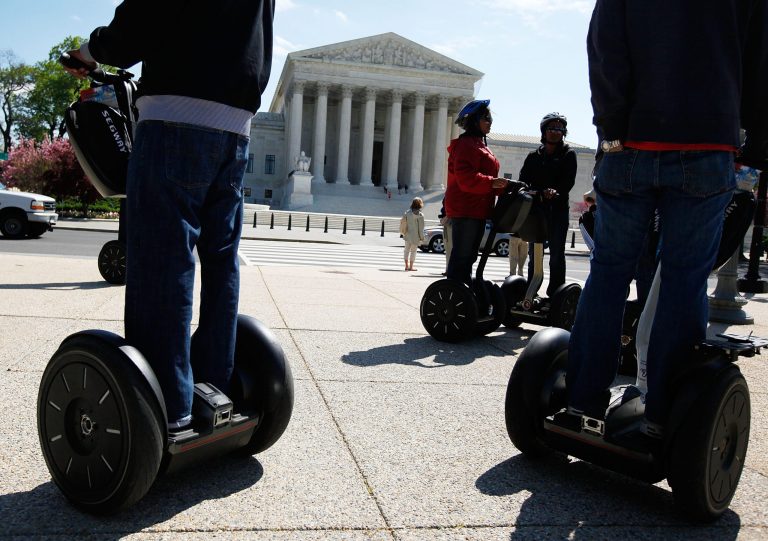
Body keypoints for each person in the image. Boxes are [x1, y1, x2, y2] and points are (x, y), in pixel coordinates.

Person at [63, 0, 275, 431]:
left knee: (165, 257)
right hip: (237, 125)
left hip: (176, 114)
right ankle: (215, 380)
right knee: (220, 259)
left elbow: (142, 19)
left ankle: (169, 407)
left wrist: (90, 51)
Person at [566, 0, 768, 438]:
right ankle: (663, 411)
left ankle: (582, 399)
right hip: (708, 144)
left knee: (609, 273)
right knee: (684, 278)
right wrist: (752, 154)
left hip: (631, 145)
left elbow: (604, 49)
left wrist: (612, 131)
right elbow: (759, 65)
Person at [444, 99, 509, 285]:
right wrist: (493, 183)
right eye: (485, 118)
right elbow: (466, 179)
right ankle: (454, 297)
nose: (489, 121)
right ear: (473, 120)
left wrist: (500, 187)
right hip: (466, 209)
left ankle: (463, 295)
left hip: (477, 209)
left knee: (469, 257)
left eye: (490, 118)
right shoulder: (466, 145)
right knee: (462, 257)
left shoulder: (478, 144)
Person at [519, 112, 577, 296]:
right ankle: (531, 291)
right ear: (544, 131)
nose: (556, 132)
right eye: (552, 128)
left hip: (557, 212)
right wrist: (531, 191)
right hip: (536, 212)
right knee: (534, 254)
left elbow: (567, 182)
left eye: (560, 129)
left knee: (557, 255)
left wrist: (555, 192)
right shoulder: (533, 156)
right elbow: (523, 181)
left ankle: (556, 294)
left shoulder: (568, 154)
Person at [401, 197, 426, 271]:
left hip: (407, 234)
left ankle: (406, 266)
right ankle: (411, 267)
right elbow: (421, 228)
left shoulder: (407, 213)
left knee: (406, 250)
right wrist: (422, 237)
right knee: (413, 251)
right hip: (416, 236)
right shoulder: (420, 215)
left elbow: (404, 223)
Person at [437, 199, 452, 275]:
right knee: (449, 250)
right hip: (450, 224)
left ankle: (449, 270)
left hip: (450, 224)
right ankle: (449, 269)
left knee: (449, 250)